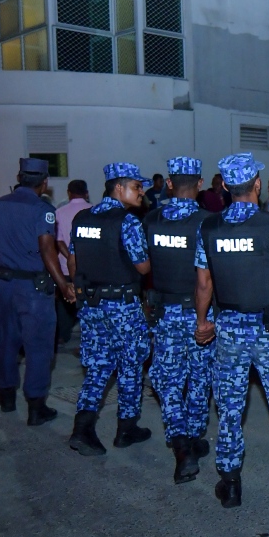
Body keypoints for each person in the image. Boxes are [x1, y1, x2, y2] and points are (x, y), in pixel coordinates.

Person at [193, 152, 269, 515]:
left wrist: (202, 323)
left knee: (230, 409)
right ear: (257, 184)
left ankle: (230, 486)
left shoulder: (209, 228)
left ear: (225, 186)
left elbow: (204, 284)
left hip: (229, 331)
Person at [65, 162, 154, 455]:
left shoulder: (82, 218)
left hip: (91, 305)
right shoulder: (127, 222)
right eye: (136, 186)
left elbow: (73, 261)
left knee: (98, 365)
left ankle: (82, 429)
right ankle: (126, 428)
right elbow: (143, 267)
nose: (141, 192)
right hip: (122, 306)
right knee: (131, 364)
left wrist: (79, 290)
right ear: (119, 187)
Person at [0, 158, 75, 426]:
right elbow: (47, 249)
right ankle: (36, 407)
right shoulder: (42, 209)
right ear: (44, 183)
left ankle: (6, 397)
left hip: (3, 285)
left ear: (19, 177)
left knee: (6, 342)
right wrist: (63, 284)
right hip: (33, 289)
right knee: (39, 347)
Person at [146, 157, 218, 482]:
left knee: (168, 379)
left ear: (170, 183)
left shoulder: (151, 220)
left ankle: (181, 443)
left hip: (165, 313)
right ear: (200, 183)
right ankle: (192, 436)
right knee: (200, 377)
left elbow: (143, 266)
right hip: (200, 311)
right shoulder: (209, 222)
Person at [53, 179, 93, 345]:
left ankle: (63, 334)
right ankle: (88, 338)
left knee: (65, 302)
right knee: (90, 302)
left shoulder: (59, 212)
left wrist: (71, 256)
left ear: (69, 193)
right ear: (86, 193)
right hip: (89, 266)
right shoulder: (94, 211)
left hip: (65, 266)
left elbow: (58, 241)